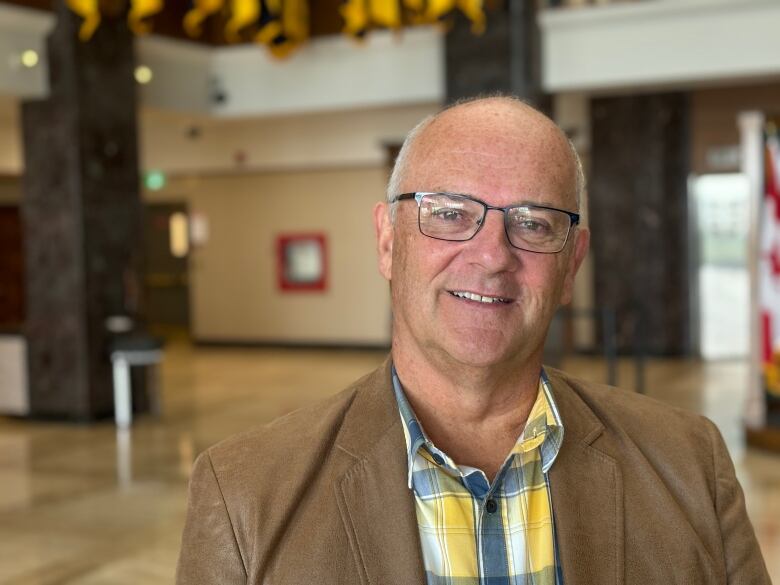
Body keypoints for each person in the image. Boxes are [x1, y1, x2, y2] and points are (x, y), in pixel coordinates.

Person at [176, 97, 770, 584]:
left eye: (533, 223)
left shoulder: (690, 464)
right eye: (451, 213)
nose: (492, 256)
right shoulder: (244, 495)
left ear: (572, 265)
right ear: (388, 241)